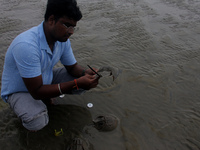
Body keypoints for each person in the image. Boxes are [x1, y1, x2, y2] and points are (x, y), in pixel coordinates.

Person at [1, 0, 100, 131]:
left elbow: (72, 67)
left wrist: (85, 74)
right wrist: (76, 83)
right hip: (21, 90)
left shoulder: (62, 40)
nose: (71, 32)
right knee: (37, 121)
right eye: (67, 25)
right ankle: (23, 112)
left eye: (73, 27)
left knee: (83, 83)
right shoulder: (27, 45)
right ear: (51, 20)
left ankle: (46, 99)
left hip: (43, 79)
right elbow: (36, 91)